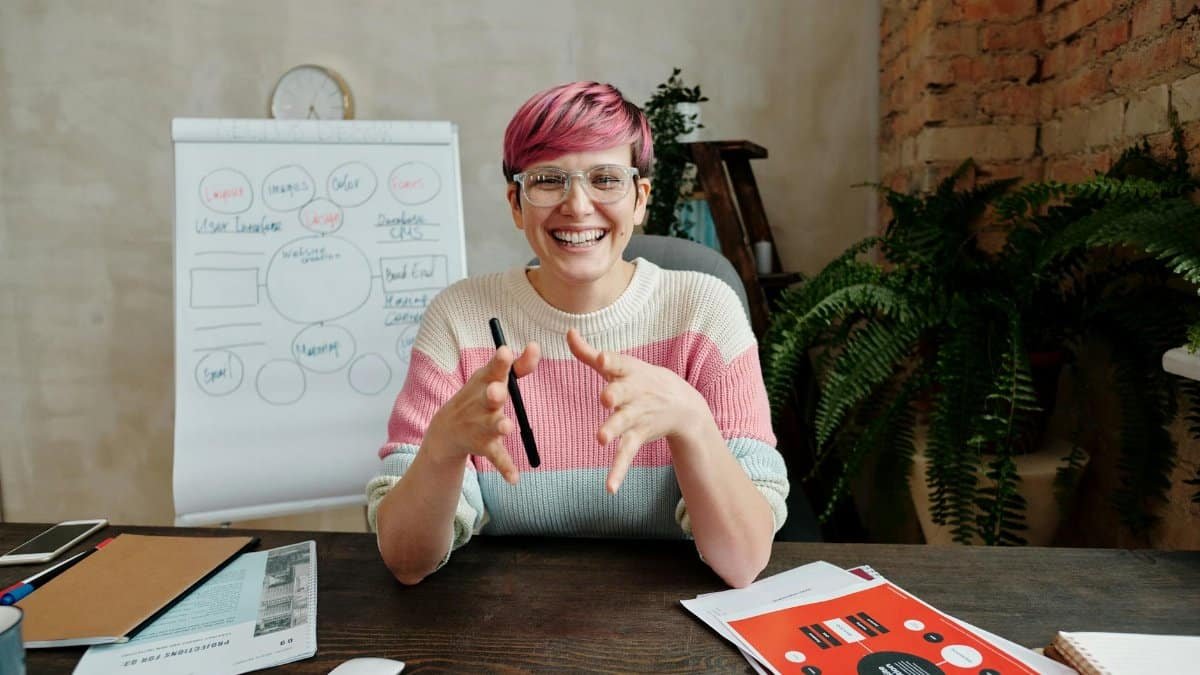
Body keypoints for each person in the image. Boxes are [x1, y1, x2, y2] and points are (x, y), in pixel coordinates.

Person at [367, 81, 788, 588]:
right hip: (496, 620)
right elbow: (407, 563)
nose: (578, 205)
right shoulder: (459, 318)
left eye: (606, 179)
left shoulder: (704, 311)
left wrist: (691, 421)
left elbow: (743, 563)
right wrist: (441, 448)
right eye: (548, 180)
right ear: (517, 204)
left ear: (640, 199)